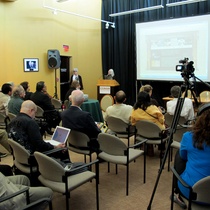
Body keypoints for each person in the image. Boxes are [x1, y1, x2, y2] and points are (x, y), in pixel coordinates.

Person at [171, 105, 210, 209]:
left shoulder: (189, 137)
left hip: (193, 192)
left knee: (179, 155)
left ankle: (177, 194)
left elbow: (183, 157)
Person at [131, 91, 166, 157]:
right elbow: (162, 120)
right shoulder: (153, 108)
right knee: (164, 130)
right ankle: (162, 151)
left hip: (142, 133)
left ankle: (149, 147)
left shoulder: (134, 110)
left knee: (148, 129)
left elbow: (133, 123)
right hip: (157, 133)